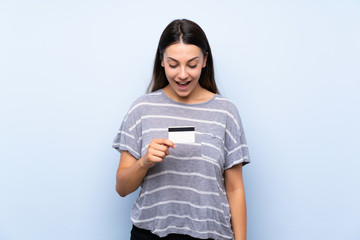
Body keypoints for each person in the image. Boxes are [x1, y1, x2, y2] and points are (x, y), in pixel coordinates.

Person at [113, 19, 250, 240]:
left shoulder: (226, 111)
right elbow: (121, 188)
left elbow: (235, 188)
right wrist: (144, 161)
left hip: (211, 235)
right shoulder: (142, 109)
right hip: (150, 234)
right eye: (174, 64)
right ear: (162, 61)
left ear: (205, 60)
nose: (183, 74)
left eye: (192, 64)